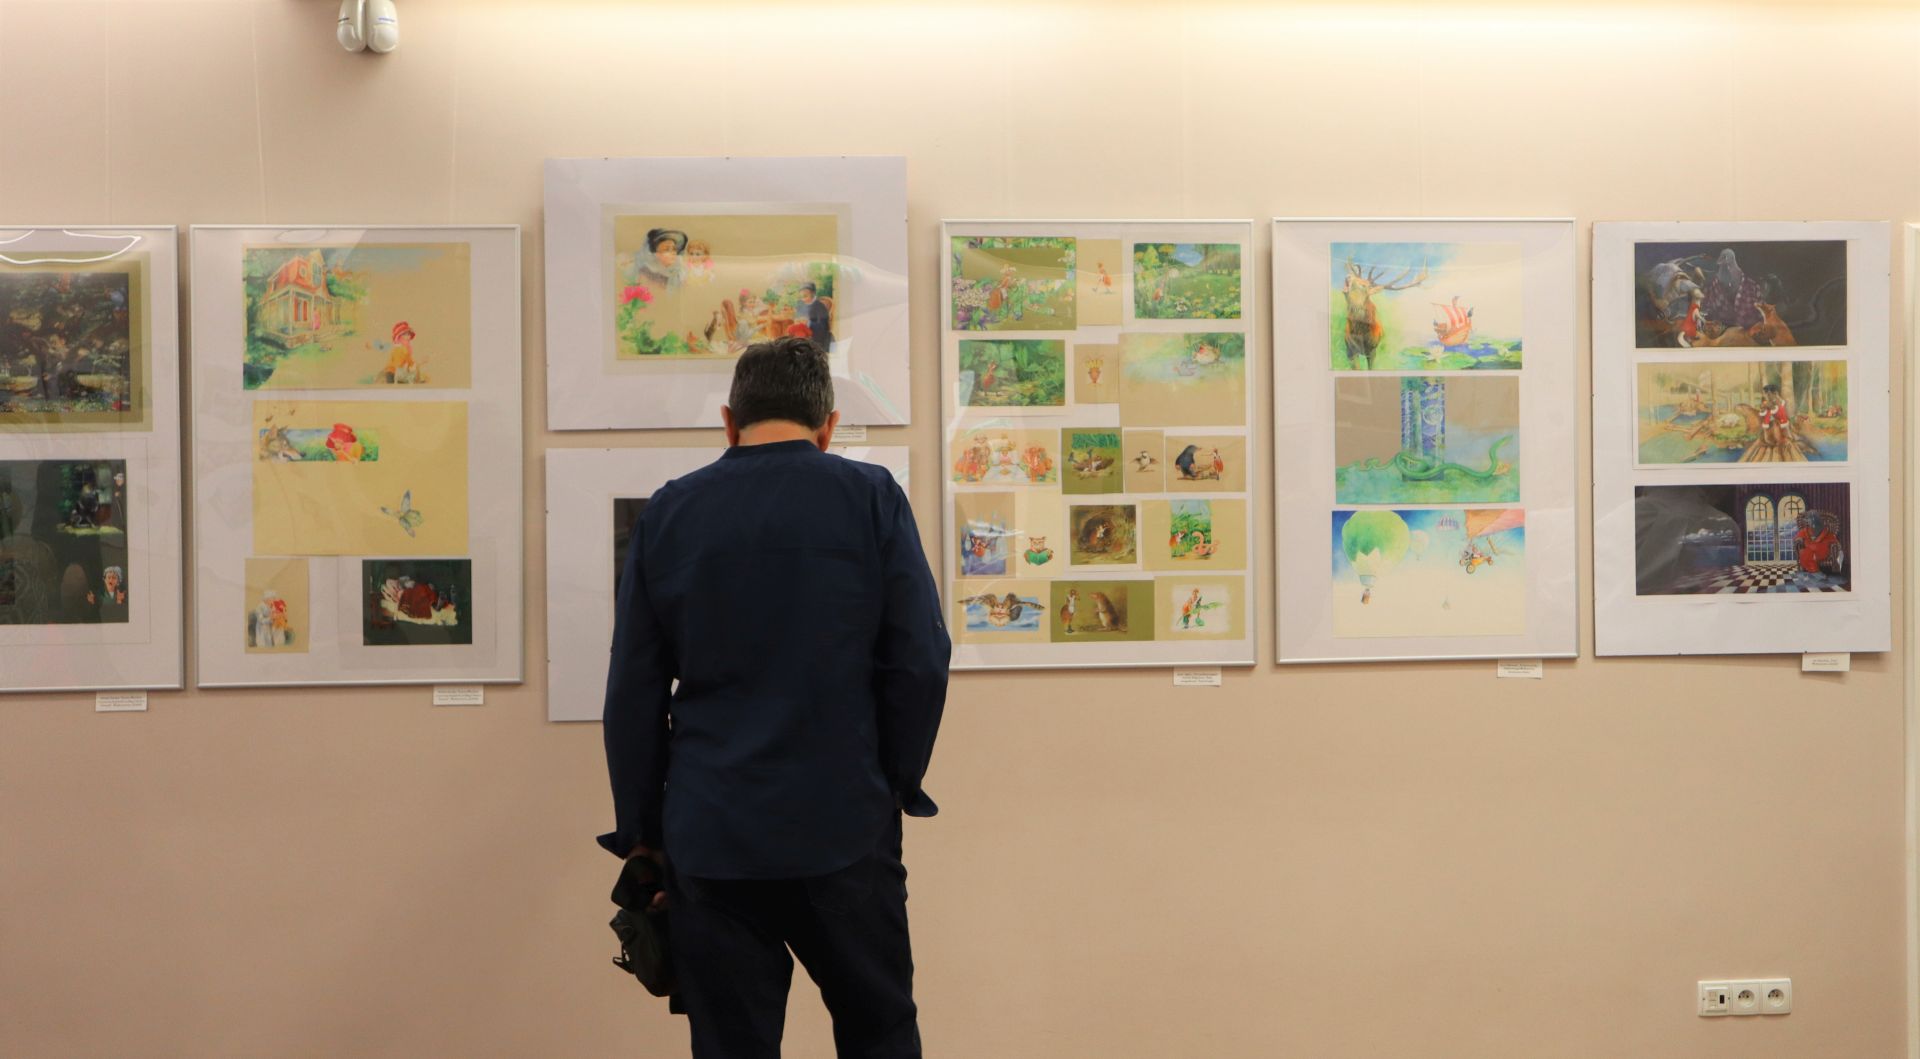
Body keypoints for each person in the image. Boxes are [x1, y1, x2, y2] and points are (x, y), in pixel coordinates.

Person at [600, 336, 949, 1058]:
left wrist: (642, 831)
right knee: (880, 1031)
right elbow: (920, 660)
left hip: (712, 830)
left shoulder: (671, 511)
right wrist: (893, 780)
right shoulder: (872, 497)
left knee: (732, 1045)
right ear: (828, 425)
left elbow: (633, 689)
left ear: (730, 422)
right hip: (845, 821)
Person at [796, 282, 833, 351]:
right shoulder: (802, 305)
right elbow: (799, 317)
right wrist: (799, 321)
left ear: (813, 294)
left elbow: (823, 326)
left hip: (818, 338)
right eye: (801, 297)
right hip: (805, 334)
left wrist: (808, 322)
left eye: (805, 296)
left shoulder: (820, 306)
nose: (803, 299)